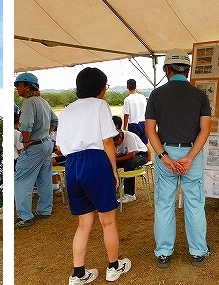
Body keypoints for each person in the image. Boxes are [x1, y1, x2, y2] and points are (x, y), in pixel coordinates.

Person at [58, 67, 130, 284]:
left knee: (83, 224)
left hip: (72, 165)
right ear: (100, 88)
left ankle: (78, 274)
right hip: (95, 161)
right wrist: (113, 170)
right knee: (107, 221)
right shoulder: (100, 105)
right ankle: (113, 267)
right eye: (106, 87)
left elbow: (60, 147)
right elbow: (108, 141)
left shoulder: (67, 110)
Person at [145, 48, 212, 268]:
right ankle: (198, 251)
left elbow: (150, 129)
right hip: (191, 153)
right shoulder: (200, 95)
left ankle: (163, 252)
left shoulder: (156, 94)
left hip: (166, 153)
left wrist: (163, 155)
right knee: (195, 203)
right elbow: (205, 129)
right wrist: (191, 157)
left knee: (164, 204)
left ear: (166, 69)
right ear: (188, 69)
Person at [14, 72, 58, 229]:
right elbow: (55, 120)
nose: (16, 89)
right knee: (44, 178)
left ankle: (25, 216)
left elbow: (26, 125)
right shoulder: (43, 102)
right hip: (46, 144)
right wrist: (46, 134)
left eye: (17, 85)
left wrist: (26, 141)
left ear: (26, 85)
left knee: (21, 179)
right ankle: (45, 210)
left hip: (33, 146)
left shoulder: (28, 103)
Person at [111, 115, 150, 203]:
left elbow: (131, 155)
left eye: (116, 144)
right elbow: (120, 152)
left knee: (128, 164)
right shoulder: (115, 138)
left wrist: (116, 159)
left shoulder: (128, 136)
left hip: (142, 155)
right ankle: (117, 186)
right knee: (110, 164)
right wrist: (113, 159)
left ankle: (130, 194)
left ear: (120, 138)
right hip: (129, 155)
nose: (115, 146)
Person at [122, 79, 149, 145]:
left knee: (135, 145)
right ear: (136, 86)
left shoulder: (127, 99)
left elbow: (126, 114)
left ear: (127, 87)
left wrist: (124, 128)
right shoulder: (142, 97)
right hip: (143, 123)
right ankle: (146, 155)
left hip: (133, 125)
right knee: (144, 144)